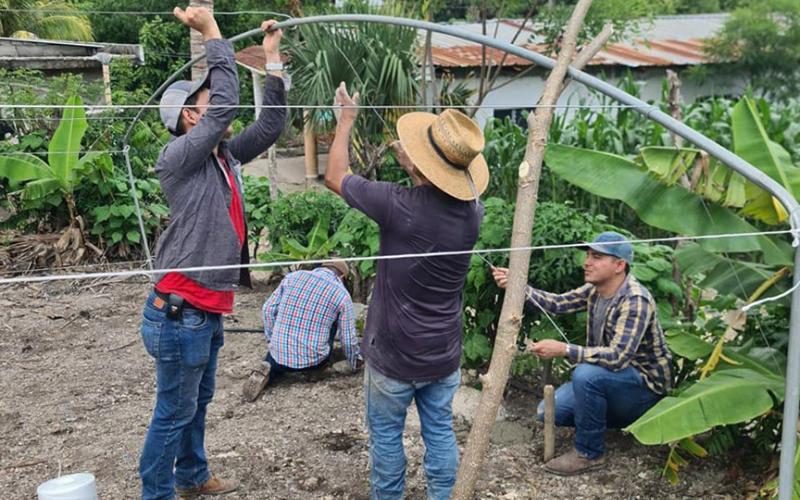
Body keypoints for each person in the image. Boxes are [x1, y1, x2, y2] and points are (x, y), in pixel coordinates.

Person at [137, 6, 287, 499]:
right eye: (207, 101)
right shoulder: (178, 157)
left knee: (195, 404)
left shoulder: (223, 156)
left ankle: (192, 477)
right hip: (180, 312)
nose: (220, 107)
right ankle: (156, 492)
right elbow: (225, 106)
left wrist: (273, 60)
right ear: (190, 116)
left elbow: (269, 126)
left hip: (204, 309)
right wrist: (212, 34)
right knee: (173, 411)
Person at [324, 82, 489, 499]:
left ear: (423, 166)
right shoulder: (473, 213)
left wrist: (346, 121)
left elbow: (335, 176)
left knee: (386, 436)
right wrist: (417, 168)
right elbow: (438, 194)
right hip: (442, 353)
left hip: (394, 355)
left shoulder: (398, 205)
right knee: (439, 431)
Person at [491, 231, 673, 476]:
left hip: (643, 388)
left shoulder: (635, 300)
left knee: (586, 375)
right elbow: (557, 304)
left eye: (597, 257)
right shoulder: (595, 290)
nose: (587, 262)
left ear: (619, 265)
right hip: (613, 380)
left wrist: (563, 349)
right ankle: (614, 424)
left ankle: (590, 453)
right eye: (588, 255)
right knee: (548, 412)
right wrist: (519, 287)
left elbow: (618, 357)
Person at [242, 260, 361, 401]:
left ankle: (267, 371)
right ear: (342, 277)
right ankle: (316, 370)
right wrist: (354, 362)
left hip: (278, 354)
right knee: (333, 321)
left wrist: (271, 339)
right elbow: (348, 338)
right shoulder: (341, 294)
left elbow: (268, 310)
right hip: (313, 359)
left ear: (322, 267)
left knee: (274, 361)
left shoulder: (293, 277)